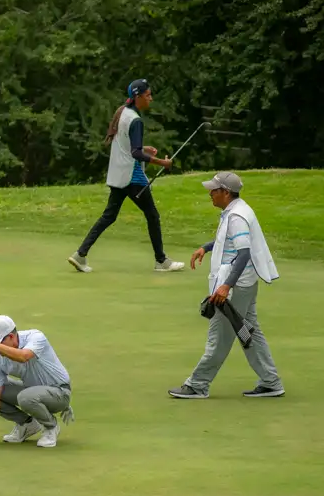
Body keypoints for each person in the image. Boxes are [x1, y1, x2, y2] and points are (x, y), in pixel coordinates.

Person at [169, 172, 284, 399]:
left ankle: (198, 385)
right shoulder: (237, 210)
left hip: (236, 287)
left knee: (219, 337)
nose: (210, 194)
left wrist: (226, 286)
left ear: (226, 192)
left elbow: (243, 253)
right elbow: (229, 240)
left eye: (214, 190)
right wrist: (206, 247)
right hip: (245, 284)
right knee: (248, 332)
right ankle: (271, 382)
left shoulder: (237, 216)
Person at [68, 79, 186, 273]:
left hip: (118, 174)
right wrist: (162, 163)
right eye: (147, 95)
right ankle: (161, 261)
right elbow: (135, 154)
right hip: (133, 177)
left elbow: (127, 145)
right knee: (152, 215)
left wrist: (143, 148)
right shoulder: (136, 120)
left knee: (109, 216)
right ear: (138, 97)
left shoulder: (123, 112)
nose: (150, 98)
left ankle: (80, 254)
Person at [0, 315, 75, 450]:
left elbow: (23, 356)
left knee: (25, 397)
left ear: (11, 337)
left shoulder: (36, 337)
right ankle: (27, 424)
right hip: (31, 391)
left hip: (59, 392)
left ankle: (51, 427)